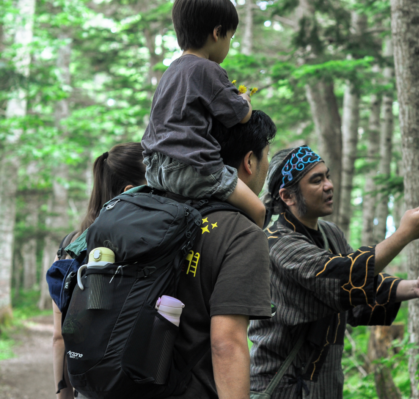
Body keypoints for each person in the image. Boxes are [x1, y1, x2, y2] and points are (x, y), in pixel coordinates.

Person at [249, 146, 419, 398]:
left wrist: (414, 287)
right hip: (280, 389)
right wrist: (403, 234)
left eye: (327, 176)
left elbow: (355, 296)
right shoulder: (277, 244)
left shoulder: (331, 234)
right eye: (316, 180)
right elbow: (342, 277)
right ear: (287, 196)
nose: (329, 185)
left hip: (326, 388)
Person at [165, 110, 276, 399]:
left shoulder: (162, 211)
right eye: (267, 157)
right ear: (250, 161)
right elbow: (226, 344)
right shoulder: (242, 234)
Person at [142, 0, 266, 229]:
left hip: (154, 169)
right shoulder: (208, 69)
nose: (229, 43)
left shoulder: (170, 71)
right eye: (230, 37)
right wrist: (245, 98)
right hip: (192, 169)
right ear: (217, 33)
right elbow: (242, 116)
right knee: (259, 210)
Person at [52, 143, 147, 399]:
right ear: (130, 191)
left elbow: (61, 336)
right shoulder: (145, 246)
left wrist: (64, 394)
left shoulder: (70, 246)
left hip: (89, 386)